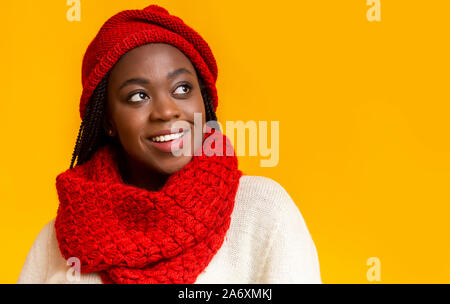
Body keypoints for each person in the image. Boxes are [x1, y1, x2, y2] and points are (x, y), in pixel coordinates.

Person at [17, 4, 321, 284]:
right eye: (138, 96)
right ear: (108, 120)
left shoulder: (262, 211)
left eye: (182, 88)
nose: (166, 111)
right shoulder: (63, 238)